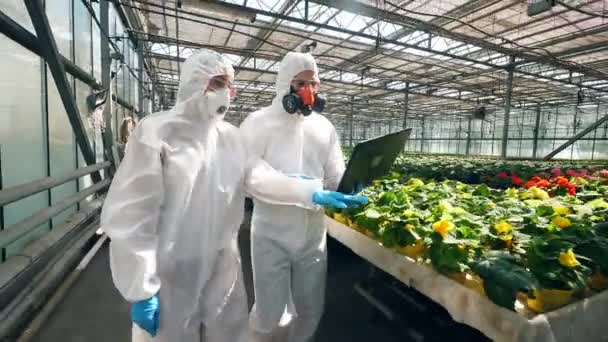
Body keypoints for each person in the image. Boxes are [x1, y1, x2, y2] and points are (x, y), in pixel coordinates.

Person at [240, 51, 367, 342]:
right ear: (285, 84)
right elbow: (250, 178)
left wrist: (351, 185)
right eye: (301, 83)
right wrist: (308, 191)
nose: (309, 91)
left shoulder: (323, 128)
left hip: (312, 236)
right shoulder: (258, 123)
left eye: (315, 84)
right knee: (270, 314)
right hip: (271, 235)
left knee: (310, 309)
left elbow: (335, 175)